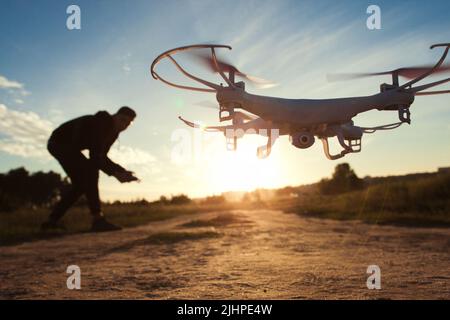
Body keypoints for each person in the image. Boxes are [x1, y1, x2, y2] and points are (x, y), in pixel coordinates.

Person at [41, 106, 139, 232]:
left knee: (81, 185)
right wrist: (115, 173)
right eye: (122, 120)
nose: (124, 125)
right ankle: (98, 219)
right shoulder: (101, 123)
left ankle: (51, 222)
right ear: (115, 116)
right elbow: (95, 157)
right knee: (91, 171)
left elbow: (102, 156)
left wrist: (120, 171)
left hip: (70, 148)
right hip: (59, 143)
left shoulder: (113, 133)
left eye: (128, 123)